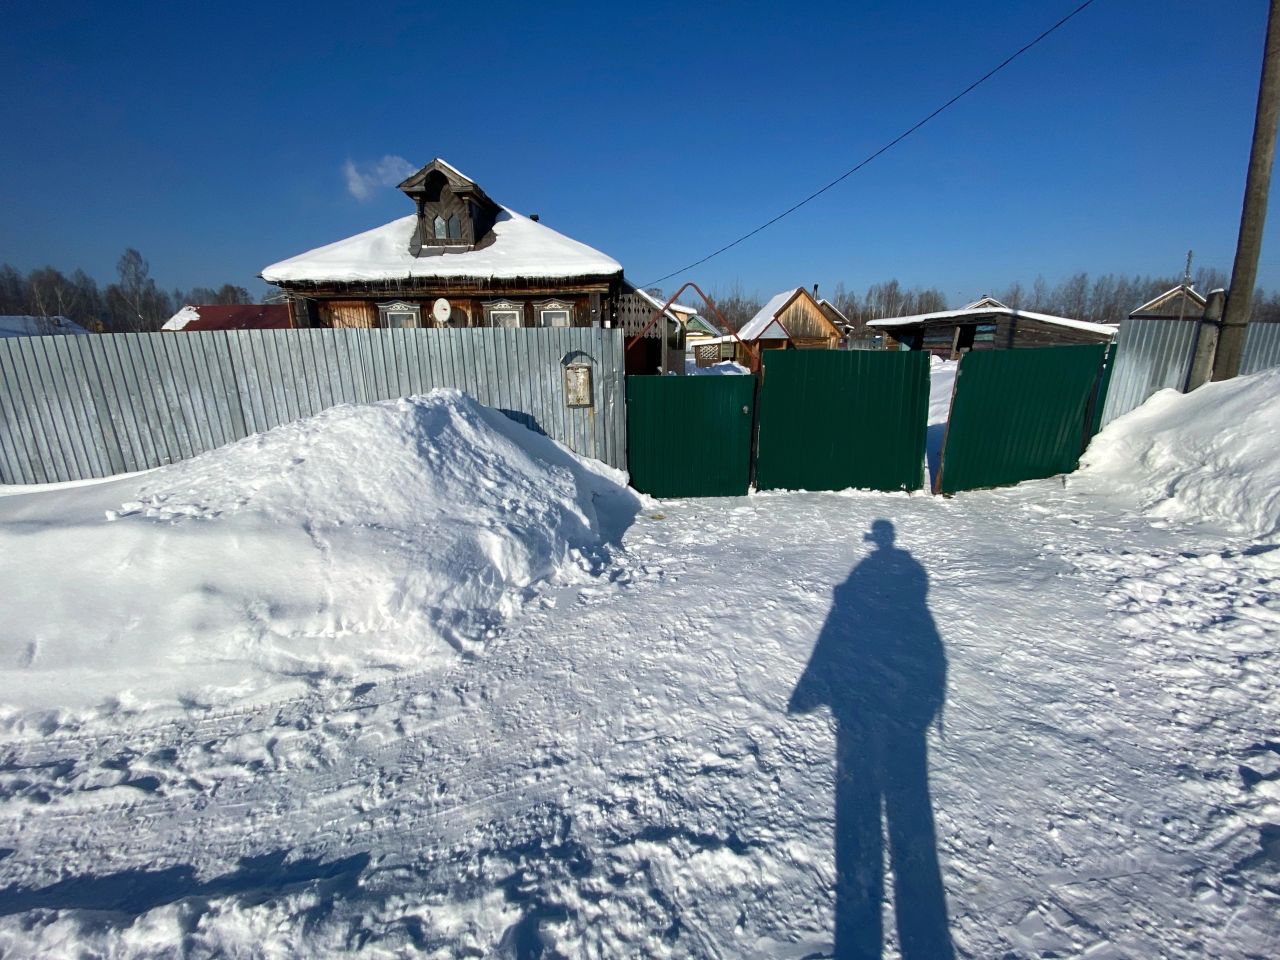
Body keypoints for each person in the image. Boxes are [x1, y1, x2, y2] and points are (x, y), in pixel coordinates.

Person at [789, 519, 954, 960]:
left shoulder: (869, 585)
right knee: (907, 809)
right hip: (902, 715)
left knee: (870, 802)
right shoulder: (907, 588)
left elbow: (915, 639)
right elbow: (930, 646)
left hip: (877, 713)